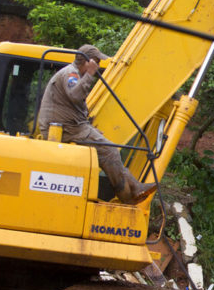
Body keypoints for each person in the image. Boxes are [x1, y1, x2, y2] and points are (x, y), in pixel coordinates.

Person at [37, 45, 157, 205]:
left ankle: (134, 186)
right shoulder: (70, 73)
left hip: (71, 126)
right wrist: (90, 74)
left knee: (106, 148)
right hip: (66, 128)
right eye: (97, 62)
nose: (99, 65)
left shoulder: (72, 74)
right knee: (110, 151)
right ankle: (127, 197)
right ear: (88, 61)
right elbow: (75, 95)